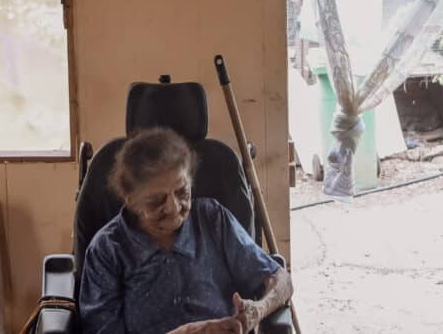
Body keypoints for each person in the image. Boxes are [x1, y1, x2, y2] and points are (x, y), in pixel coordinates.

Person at [79, 127, 293, 334]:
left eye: (182, 191)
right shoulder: (107, 250)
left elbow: (281, 280)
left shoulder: (212, 219)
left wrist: (257, 310)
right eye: (156, 200)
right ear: (131, 200)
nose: (173, 208)